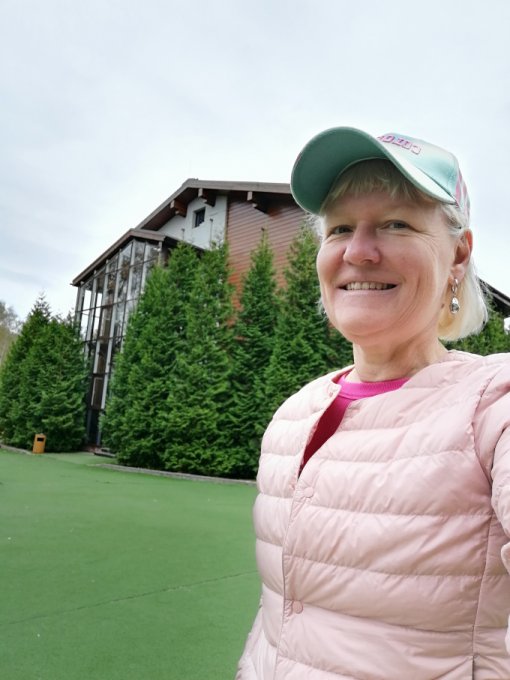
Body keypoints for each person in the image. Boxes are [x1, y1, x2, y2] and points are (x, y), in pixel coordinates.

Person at [236, 127, 510, 679]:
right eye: (340, 228)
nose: (358, 251)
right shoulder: (294, 414)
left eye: (396, 224)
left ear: (458, 254)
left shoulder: (493, 403)